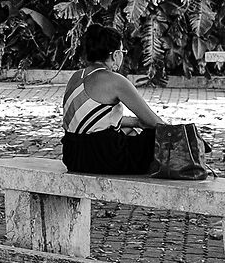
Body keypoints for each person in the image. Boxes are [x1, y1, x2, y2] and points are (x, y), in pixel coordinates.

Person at [61, 23, 168, 176]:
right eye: (123, 51)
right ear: (116, 54)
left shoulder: (76, 77)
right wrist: (179, 134)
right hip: (103, 158)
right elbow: (154, 122)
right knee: (154, 138)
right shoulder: (115, 81)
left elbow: (92, 120)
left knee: (128, 131)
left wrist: (136, 122)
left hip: (73, 155)